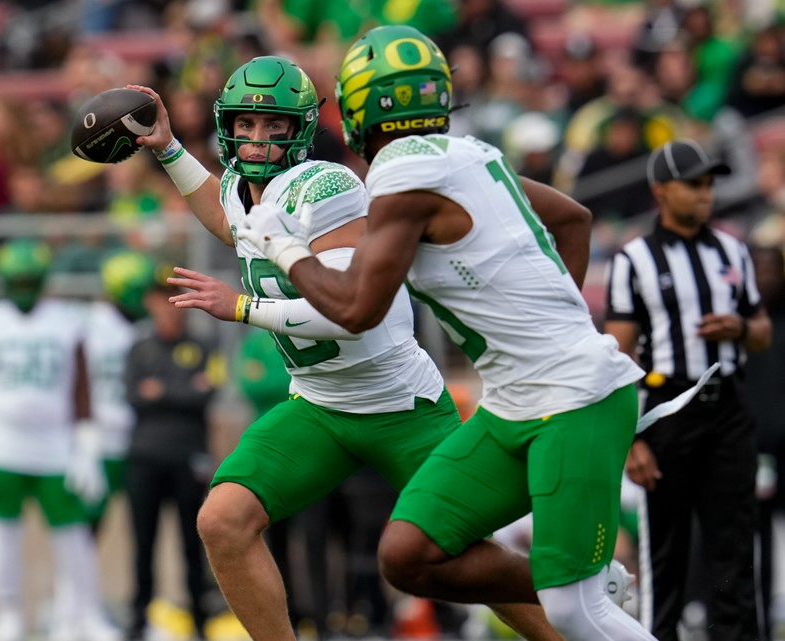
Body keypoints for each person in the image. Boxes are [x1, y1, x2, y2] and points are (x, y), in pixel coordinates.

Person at [236, 26, 653, 640]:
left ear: (356, 109)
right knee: (409, 555)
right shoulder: (471, 153)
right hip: (515, 400)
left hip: (573, 397)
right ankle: (580, 578)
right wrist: (547, 313)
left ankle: (581, 585)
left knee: (572, 612)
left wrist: (282, 245)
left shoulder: (400, 179)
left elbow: (356, 311)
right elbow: (574, 217)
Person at [130, 56, 561, 641]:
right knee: (223, 522)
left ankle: (573, 614)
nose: (256, 139)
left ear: (300, 128)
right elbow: (227, 214)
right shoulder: (240, 185)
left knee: (457, 558)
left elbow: (351, 313)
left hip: (397, 406)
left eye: (273, 126)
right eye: (247, 125)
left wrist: (239, 307)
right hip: (320, 405)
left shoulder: (327, 187)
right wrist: (167, 148)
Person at [603, 140, 772, 641]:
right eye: (693, 184)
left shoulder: (732, 249)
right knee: (666, 555)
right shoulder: (634, 258)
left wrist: (738, 329)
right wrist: (630, 437)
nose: (706, 194)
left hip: (729, 409)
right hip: (667, 411)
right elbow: (617, 356)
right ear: (661, 191)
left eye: (709, 184)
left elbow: (762, 328)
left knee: (735, 548)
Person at [0, 239, 118, 641]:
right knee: (2, 531)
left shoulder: (67, 319)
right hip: (0, 444)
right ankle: (6, 614)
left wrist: (87, 445)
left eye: (29, 280)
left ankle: (83, 612)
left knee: (73, 536)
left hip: (54, 447)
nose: (23, 287)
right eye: (17, 280)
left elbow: (82, 388)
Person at [122, 272, 221, 641]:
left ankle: (200, 620)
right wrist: (182, 390)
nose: (168, 308)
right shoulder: (139, 348)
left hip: (188, 458)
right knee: (142, 544)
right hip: (145, 458)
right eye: (160, 299)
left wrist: (161, 391)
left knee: (193, 543)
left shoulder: (204, 346)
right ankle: (138, 620)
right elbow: (133, 396)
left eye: (174, 298)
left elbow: (206, 393)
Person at [83, 249, 156, 530]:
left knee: (146, 528)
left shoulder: (152, 327)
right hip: (101, 441)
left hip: (143, 439)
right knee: (86, 524)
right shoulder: (89, 324)